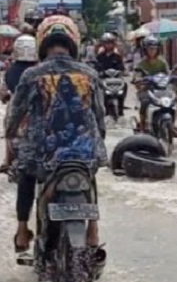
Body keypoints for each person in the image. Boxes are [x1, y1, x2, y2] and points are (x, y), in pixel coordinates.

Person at [5, 15, 107, 261]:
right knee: (88, 168)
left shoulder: (31, 75)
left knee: (26, 172)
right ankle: (93, 229)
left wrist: (9, 134)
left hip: (44, 156)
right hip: (82, 153)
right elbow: (100, 118)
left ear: (42, 43)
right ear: (73, 42)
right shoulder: (90, 74)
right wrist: (97, 140)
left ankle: (21, 231)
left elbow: (14, 115)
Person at [0, 35, 38, 172]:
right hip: (38, 107)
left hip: (16, 107)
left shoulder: (10, 71)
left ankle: (8, 160)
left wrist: (6, 97)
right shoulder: (41, 69)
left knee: (9, 129)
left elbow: (3, 93)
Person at [133, 35, 177, 137]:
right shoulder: (140, 64)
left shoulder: (162, 62)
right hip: (146, 90)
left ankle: (172, 124)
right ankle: (142, 127)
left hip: (162, 90)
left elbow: (168, 74)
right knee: (144, 102)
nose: (152, 51)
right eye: (149, 49)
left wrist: (174, 77)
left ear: (158, 49)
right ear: (145, 50)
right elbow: (136, 77)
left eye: (154, 49)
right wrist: (138, 81)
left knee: (176, 100)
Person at [95, 32, 127, 114]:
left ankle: (121, 107)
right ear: (103, 44)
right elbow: (96, 67)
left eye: (110, 43)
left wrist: (121, 72)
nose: (108, 45)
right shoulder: (100, 56)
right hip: (104, 80)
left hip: (116, 80)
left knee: (125, 85)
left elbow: (122, 68)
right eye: (106, 43)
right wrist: (100, 72)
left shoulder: (117, 56)